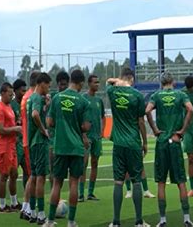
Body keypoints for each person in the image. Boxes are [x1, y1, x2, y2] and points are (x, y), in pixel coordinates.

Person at [145, 72, 193, 227]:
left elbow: (147, 110)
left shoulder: (157, 95)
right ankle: (186, 218)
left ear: (161, 82)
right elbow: (191, 109)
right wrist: (182, 130)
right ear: (173, 82)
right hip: (175, 140)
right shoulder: (180, 95)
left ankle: (162, 220)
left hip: (161, 142)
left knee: (161, 182)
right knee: (181, 181)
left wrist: (154, 129)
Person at [44, 70, 91, 227]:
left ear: (70, 80)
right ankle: (71, 221)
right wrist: (79, 127)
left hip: (60, 146)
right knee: (74, 184)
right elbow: (86, 126)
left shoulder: (57, 98)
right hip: (76, 148)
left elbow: (49, 122)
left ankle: (50, 220)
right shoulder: (83, 101)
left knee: (57, 183)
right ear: (81, 82)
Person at [105, 68, 150, 227]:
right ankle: (138, 221)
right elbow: (140, 122)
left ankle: (116, 222)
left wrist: (117, 81)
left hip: (118, 143)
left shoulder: (112, 92)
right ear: (131, 79)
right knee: (136, 181)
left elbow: (108, 82)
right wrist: (144, 142)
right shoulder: (137, 95)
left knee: (118, 182)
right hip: (133, 143)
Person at [27, 72, 52, 224]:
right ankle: (42, 214)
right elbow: (35, 115)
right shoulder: (36, 97)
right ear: (41, 83)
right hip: (40, 142)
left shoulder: (31, 98)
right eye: (48, 85)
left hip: (32, 143)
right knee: (41, 178)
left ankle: (32, 212)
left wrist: (46, 106)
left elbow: (37, 112)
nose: (49, 88)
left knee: (35, 177)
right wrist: (44, 130)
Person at [0, 82, 22, 213]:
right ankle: (2, 205)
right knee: (4, 175)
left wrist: (16, 126)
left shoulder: (9, 106)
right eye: (10, 94)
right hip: (3, 146)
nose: (11, 96)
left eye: (12, 94)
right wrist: (15, 129)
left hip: (11, 145)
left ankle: (14, 202)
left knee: (14, 174)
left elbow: (10, 124)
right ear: (2, 93)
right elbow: (0, 130)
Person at [78, 74, 105, 202]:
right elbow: (78, 117)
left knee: (95, 164)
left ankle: (90, 193)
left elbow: (103, 117)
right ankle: (80, 193)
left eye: (98, 82)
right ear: (89, 84)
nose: (97, 84)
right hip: (86, 137)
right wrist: (83, 134)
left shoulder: (99, 101)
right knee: (83, 164)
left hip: (97, 137)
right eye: (95, 82)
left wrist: (102, 131)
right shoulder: (83, 98)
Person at [19, 71, 40, 220]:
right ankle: (27, 208)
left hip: (28, 140)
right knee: (34, 175)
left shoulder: (26, 97)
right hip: (31, 141)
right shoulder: (31, 98)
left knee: (33, 175)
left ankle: (28, 207)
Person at [48, 71, 70, 188]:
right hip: (53, 141)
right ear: (57, 85)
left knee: (64, 174)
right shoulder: (52, 97)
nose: (63, 87)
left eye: (65, 85)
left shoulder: (72, 99)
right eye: (61, 85)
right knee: (53, 172)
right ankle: (54, 196)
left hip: (68, 142)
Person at [10, 79, 29, 189]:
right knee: (13, 174)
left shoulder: (26, 104)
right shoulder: (11, 105)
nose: (24, 93)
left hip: (25, 143)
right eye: (22, 91)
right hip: (15, 144)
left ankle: (28, 201)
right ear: (15, 91)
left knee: (28, 171)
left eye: (25, 91)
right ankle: (14, 201)